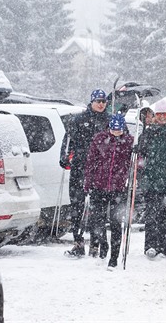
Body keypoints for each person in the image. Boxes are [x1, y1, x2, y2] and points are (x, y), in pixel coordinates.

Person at [60, 89, 110, 257]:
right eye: (98, 101)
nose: (101, 104)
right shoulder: (80, 119)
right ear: (92, 102)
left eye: (104, 101)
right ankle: (78, 242)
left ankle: (95, 244)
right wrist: (65, 157)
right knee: (77, 206)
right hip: (80, 167)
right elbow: (68, 140)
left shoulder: (109, 121)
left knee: (97, 208)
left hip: (101, 170)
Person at [83, 114, 134, 270]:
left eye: (118, 130)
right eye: (113, 130)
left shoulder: (128, 142)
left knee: (116, 222)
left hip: (118, 188)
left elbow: (135, 163)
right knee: (97, 220)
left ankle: (114, 256)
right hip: (99, 185)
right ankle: (103, 245)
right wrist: (88, 181)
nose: (116, 133)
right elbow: (91, 161)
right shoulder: (100, 139)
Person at [137, 100, 166, 259]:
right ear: (155, 116)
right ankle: (150, 245)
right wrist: (139, 145)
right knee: (151, 215)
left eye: (165, 114)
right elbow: (142, 151)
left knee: (165, 216)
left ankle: (163, 248)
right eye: (159, 114)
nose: (162, 117)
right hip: (152, 179)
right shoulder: (149, 132)